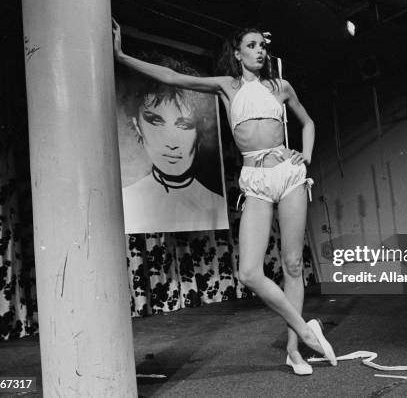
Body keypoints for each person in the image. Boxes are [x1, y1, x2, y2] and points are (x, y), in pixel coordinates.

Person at [113, 20, 337, 374]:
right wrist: (122, 56)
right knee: (249, 272)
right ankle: (307, 328)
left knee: (293, 265)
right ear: (237, 53)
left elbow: (307, 122)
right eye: (251, 45)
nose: (259, 51)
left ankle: (295, 351)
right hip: (255, 179)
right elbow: (172, 77)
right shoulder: (226, 87)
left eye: (262, 46)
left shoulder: (281, 86)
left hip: (289, 175)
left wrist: (305, 156)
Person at [118, 53, 228, 234]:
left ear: (198, 130)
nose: (171, 142)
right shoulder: (127, 199)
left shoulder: (216, 203)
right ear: (138, 126)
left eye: (184, 124)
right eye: (156, 121)